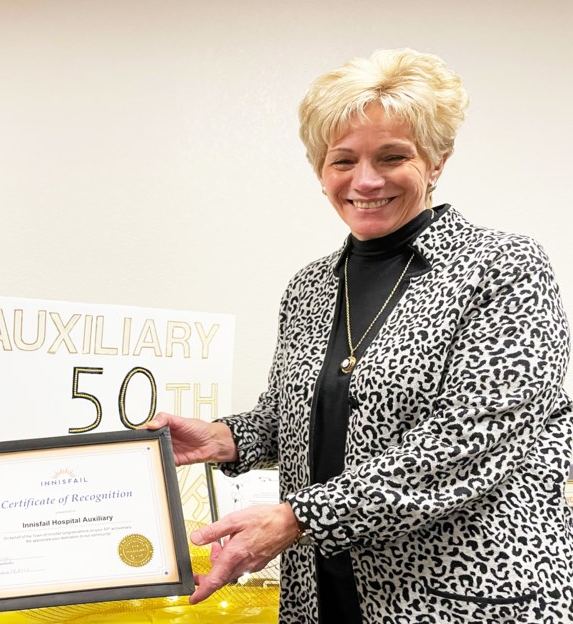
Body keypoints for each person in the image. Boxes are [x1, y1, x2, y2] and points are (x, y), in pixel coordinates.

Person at [148, 48, 573, 623]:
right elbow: (296, 419)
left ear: (437, 159)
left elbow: (467, 446)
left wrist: (297, 519)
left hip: (462, 597)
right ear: (320, 171)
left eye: (392, 156)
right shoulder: (310, 287)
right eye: (342, 160)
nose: (365, 180)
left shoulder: (504, 268)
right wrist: (225, 438)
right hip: (324, 596)